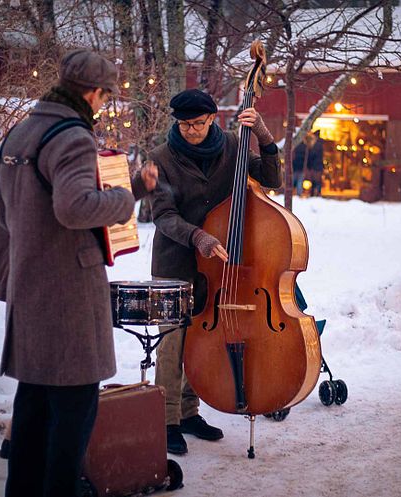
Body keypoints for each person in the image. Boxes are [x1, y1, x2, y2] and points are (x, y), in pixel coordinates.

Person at [0, 48, 157, 497]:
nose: (102, 105)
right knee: (74, 409)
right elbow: (76, 206)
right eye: (104, 96)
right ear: (94, 93)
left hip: (29, 288)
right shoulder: (73, 137)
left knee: (34, 407)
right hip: (68, 297)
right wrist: (125, 197)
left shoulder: (20, 133)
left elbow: (5, 216)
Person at [147, 89, 282, 455]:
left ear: (212, 120)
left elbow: (272, 179)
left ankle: (190, 413)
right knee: (171, 345)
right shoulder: (160, 158)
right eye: (184, 124)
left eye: (198, 123)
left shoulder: (235, 146)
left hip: (220, 268)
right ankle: (167, 421)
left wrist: (265, 136)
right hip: (175, 264)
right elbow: (163, 216)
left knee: (202, 340)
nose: (191, 130)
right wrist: (198, 237)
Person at [306, 130, 324, 197]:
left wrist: (309, 165)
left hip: (315, 166)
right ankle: (317, 192)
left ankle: (314, 193)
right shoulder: (320, 144)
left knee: (315, 180)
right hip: (318, 165)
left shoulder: (316, 145)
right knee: (318, 180)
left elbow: (312, 155)